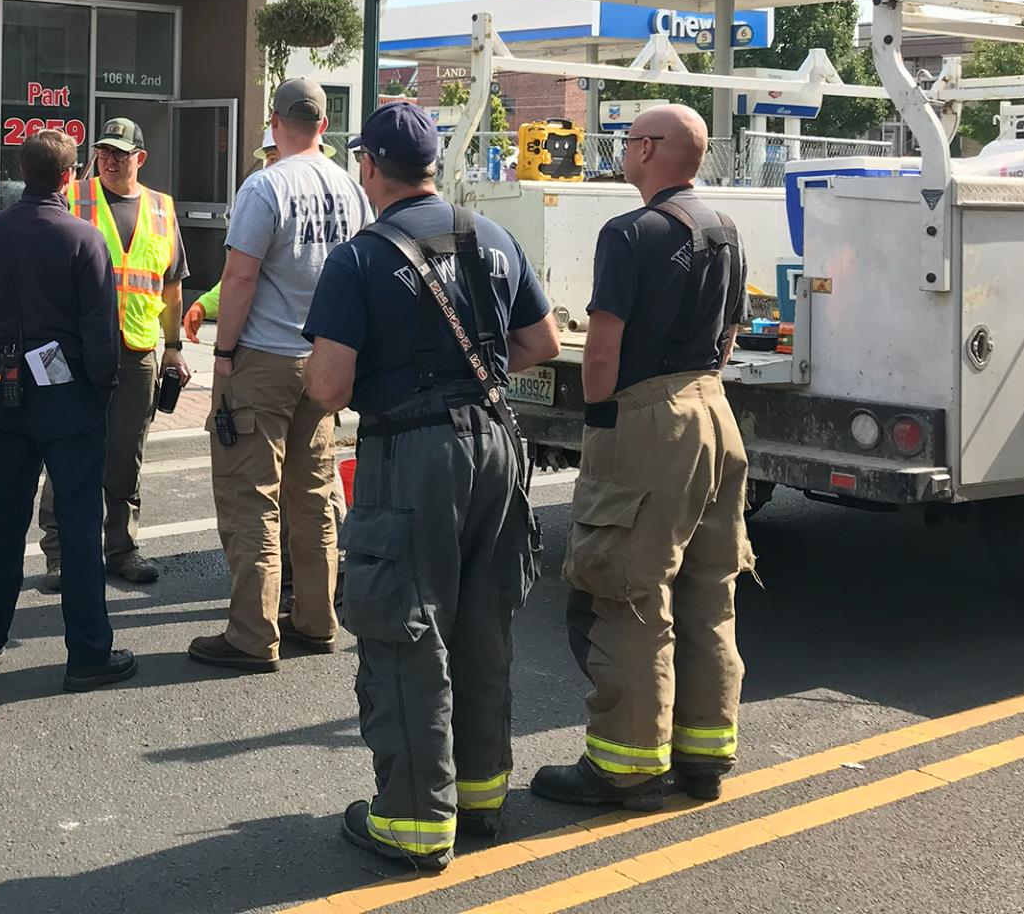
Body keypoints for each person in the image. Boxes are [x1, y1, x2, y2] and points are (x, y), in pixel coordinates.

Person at [304, 103, 560, 870]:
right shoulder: (491, 234)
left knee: (403, 629)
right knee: (484, 619)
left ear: (372, 169)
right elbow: (541, 344)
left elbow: (326, 386)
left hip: (412, 452)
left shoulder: (360, 257)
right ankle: (481, 795)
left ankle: (415, 821)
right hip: (496, 442)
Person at [532, 103, 751, 811]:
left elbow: (602, 347)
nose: (622, 152)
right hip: (713, 408)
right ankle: (704, 757)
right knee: (708, 589)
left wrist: (601, 422)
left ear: (651, 149)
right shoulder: (724, 227)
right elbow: (729, 336)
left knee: (626, 589)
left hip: (648, 417)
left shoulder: (630, 233)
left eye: (627, 141)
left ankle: (624, 767)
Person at [189, 78, 368, 675]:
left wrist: (223, 353)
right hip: (324, 357)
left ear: (274, 120)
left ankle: (252, 633)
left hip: (264, 356)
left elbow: (239, 278)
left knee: (250, 497)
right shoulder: (350, 188)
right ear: (323, 122)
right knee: (315, 493)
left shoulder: (265, 185)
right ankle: (317, 620)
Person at [0, 129, 138, 693]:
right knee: (79, 521)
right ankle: (87, 652)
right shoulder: (83, 239)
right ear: (69, 176)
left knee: (1, 516)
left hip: (4, 390)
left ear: (21, 173)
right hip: (70, 398)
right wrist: (99, 388)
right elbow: (101, 332)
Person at [36, 118, 191, 592]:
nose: (110, 159)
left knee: (127, 456)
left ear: (139, 159)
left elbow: (171, 285)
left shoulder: (162, 209)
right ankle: (59, 553)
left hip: (138, 349)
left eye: (121, 153)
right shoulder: (74, 199)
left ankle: (121, 548)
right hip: (79, 349)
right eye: (104, 151)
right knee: (68, 449)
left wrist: (173, 348)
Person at [183, 130, 278, 345]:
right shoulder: (344, 191)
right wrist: (205, 304)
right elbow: (239, 275)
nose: (273, 168)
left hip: (271, 348)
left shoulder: (262, 194)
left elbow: (242, 278)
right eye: (270, 159)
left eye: (277, 159)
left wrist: (224, 351)